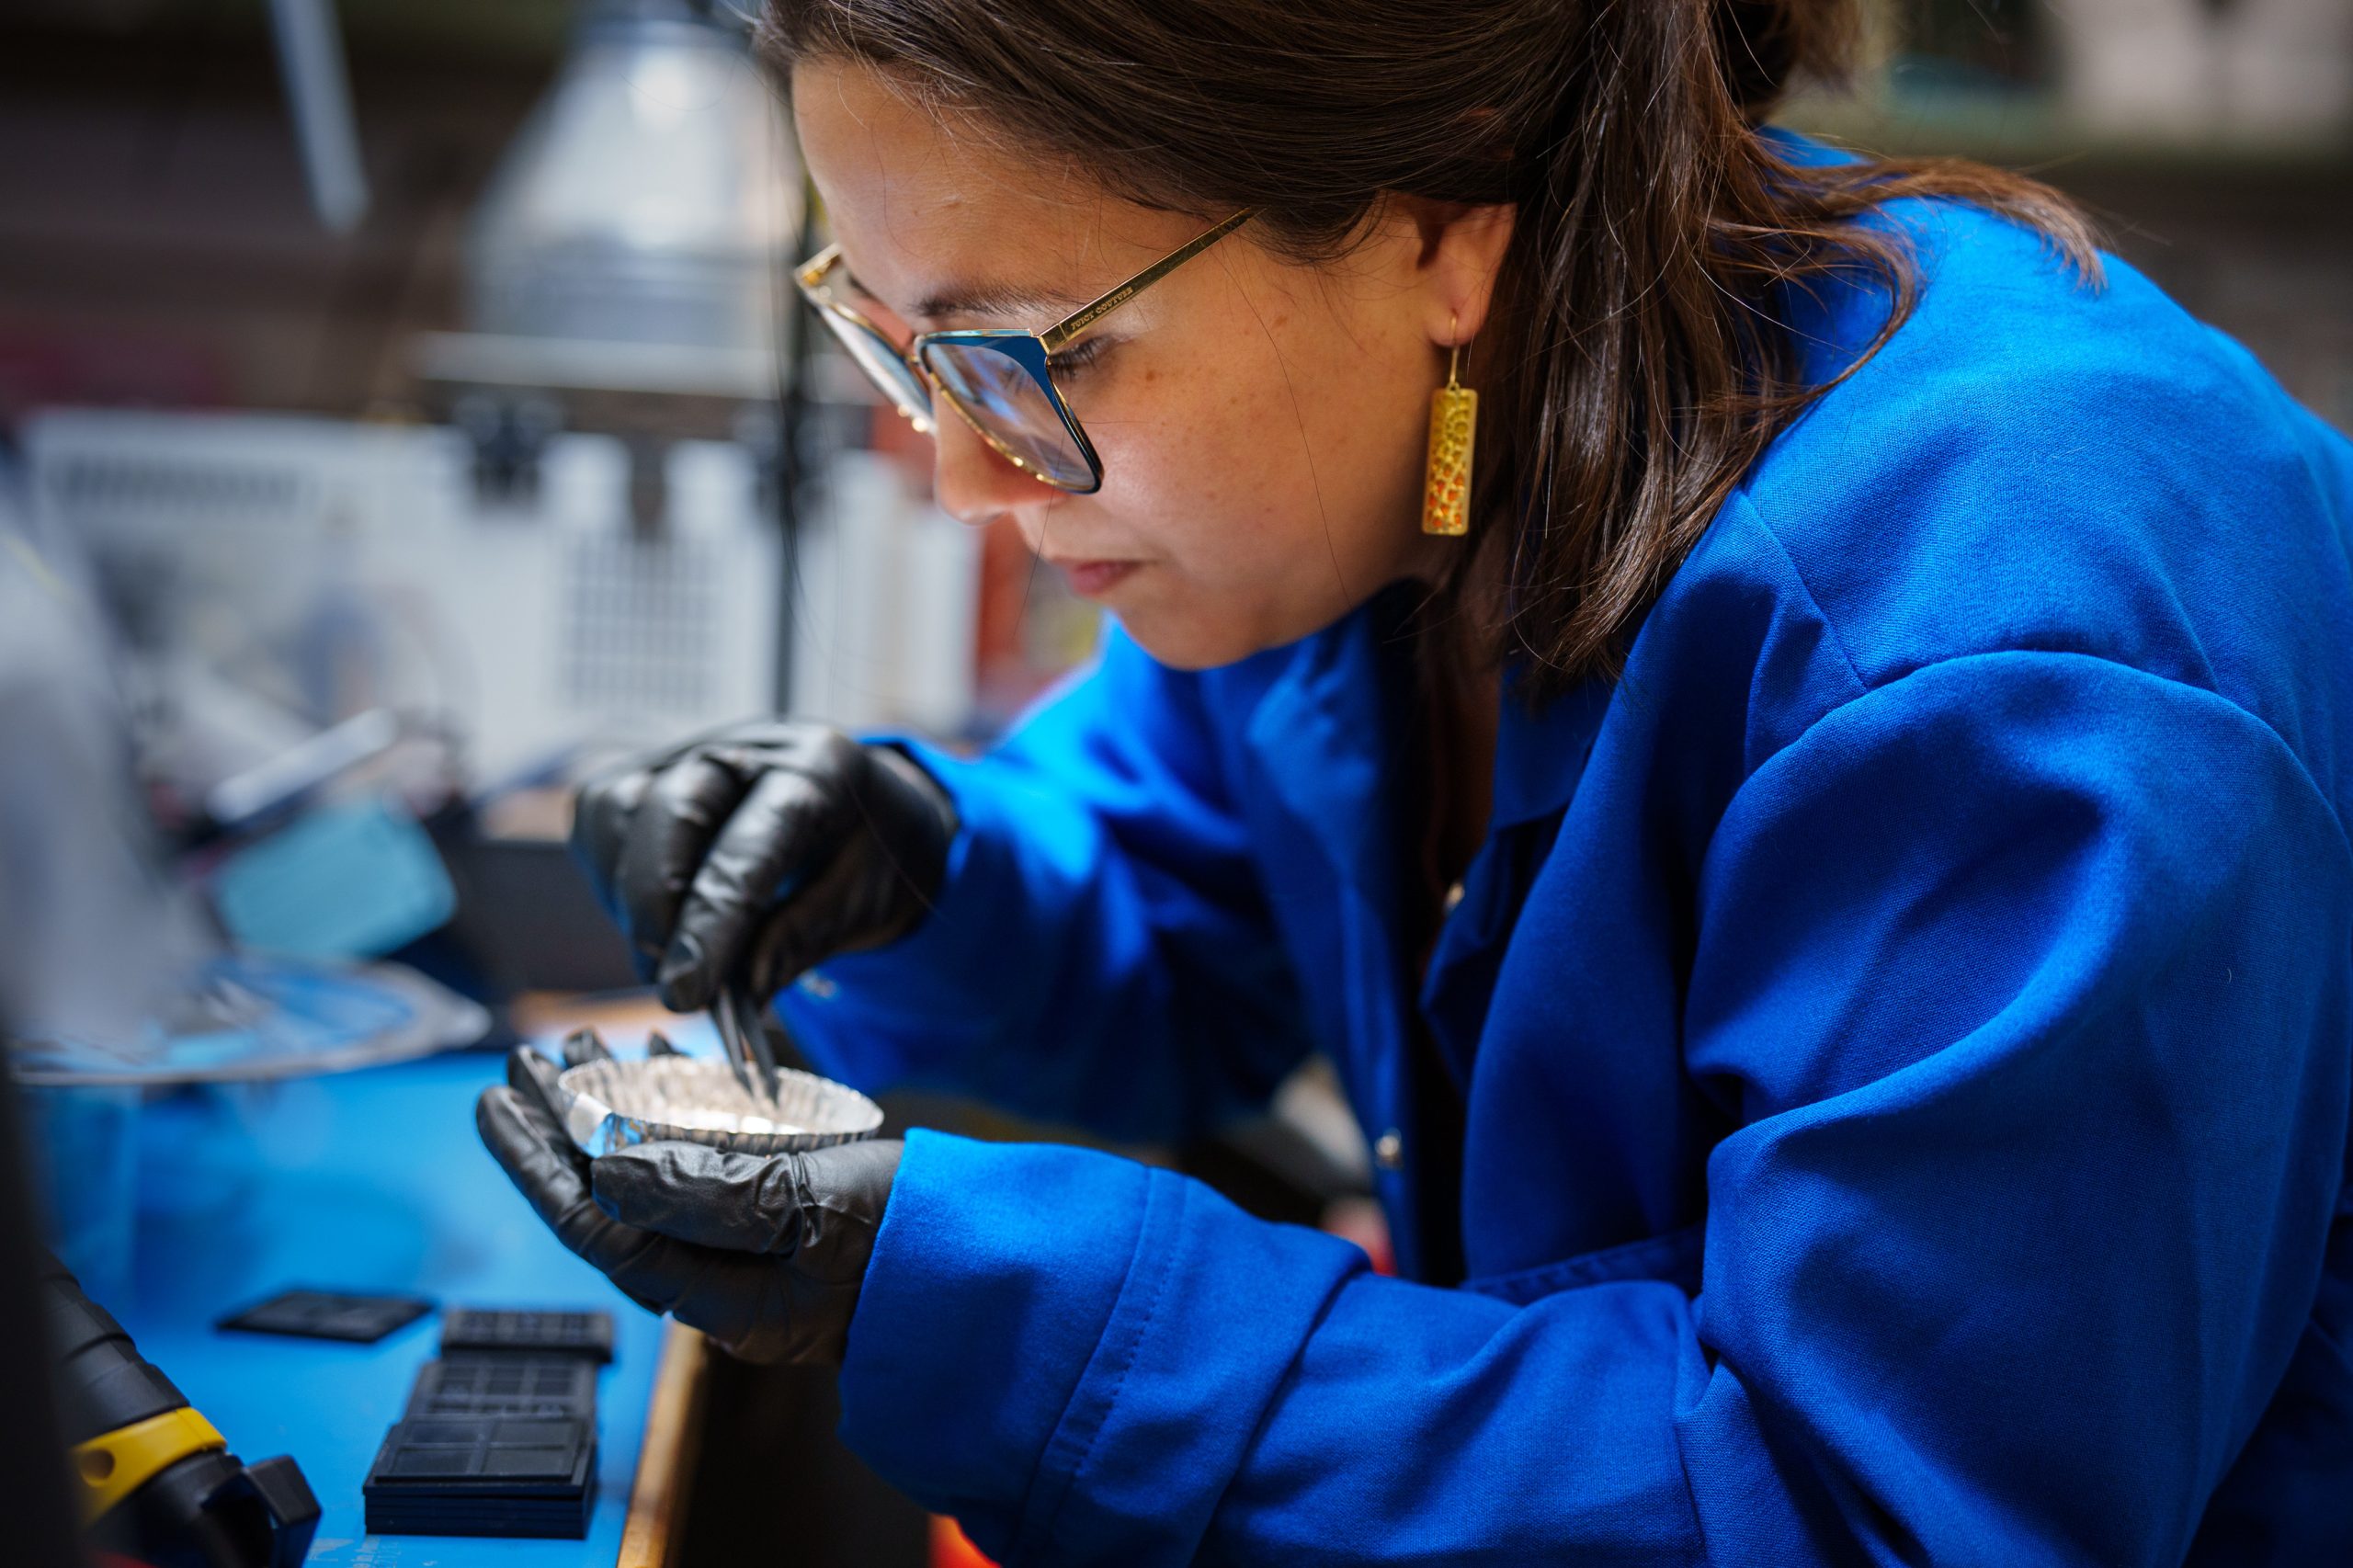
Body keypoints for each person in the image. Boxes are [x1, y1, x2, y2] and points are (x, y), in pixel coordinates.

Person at [475, 0, 2353, 1558]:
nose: (965, 479)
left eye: (1022, 357)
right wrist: (925, 871)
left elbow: (1860, 1509)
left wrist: (989, 1292)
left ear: (1439, 226)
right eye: (890, 342)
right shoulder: (1401, 453)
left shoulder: (2001, 650)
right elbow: (1190, 899)